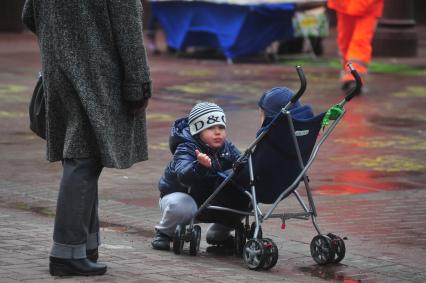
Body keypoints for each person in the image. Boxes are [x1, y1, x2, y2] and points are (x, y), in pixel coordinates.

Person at [22, 0, 151, 277]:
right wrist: (139, 82)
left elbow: (28, 14)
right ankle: (67, 252)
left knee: (83, 155)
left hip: (59, 70)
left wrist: (60, 43)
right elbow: (128, 29)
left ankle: (84, 245)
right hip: (98, 72)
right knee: (83, 160)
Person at [152, 102, 245, 250]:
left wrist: (250, 165)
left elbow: (242, 162)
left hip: (209, 196)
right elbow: (184, 176)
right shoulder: (186, 147)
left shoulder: (227, 147)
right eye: (210, 128)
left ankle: (218, 234)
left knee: (241, 195)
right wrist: (199, 166)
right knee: (183, 206)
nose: (217, 132)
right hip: (181, 194)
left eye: (221, 127)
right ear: (197, 131)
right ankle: (164, 233)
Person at [327, 0, 384, 94]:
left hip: (366, 6)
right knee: (346, 41)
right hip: (346, 5)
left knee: (359, 41)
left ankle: (353, 77)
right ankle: (350, 75)